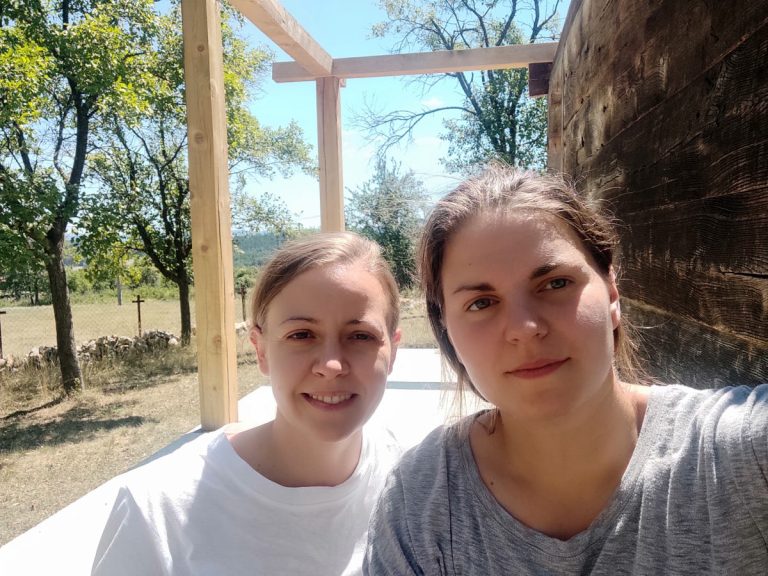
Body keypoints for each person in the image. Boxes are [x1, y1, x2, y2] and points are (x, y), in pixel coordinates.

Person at [364, 165, 768, 575]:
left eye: (555, 283)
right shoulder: (419, 499)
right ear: (448, 332)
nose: (524, 328)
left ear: (612, 292)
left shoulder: (738, 454)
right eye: (481, 303)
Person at [93, 232, 402, 576]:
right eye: (301, 335)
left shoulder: (410, 481)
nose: (331, 366)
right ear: (261, 350)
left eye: (361, 336)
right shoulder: (157, 510)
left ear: (393, 351)